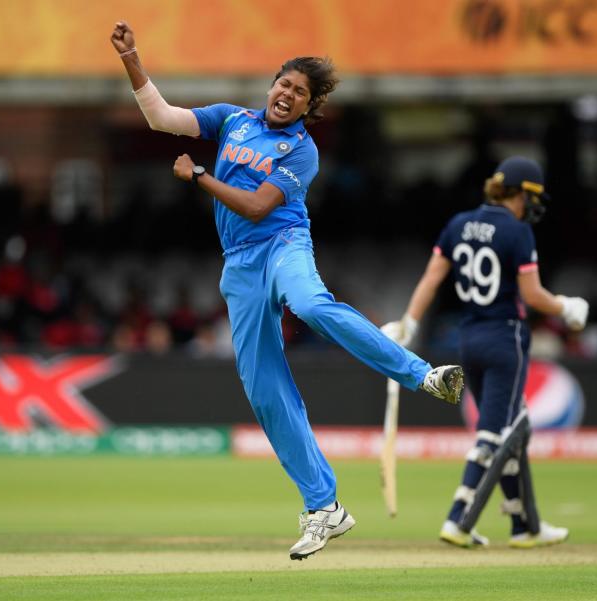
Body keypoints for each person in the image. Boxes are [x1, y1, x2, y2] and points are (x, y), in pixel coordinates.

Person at [110, 21, 465, 560]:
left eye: (300, 92)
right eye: (284, 84)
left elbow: (256, 208)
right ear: (272, 85)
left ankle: (425, 375)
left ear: (308, 107)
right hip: (240, 267)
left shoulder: (301, 151)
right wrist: (132, 59)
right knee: (265, 391)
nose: (287, 94)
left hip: (283, 244)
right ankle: (325, 507)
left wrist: (198, 177)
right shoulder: (232, 119)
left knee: (309, 304)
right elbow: (161, 117)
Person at [381, 156, 588, 548]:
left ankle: (524, 523)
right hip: (505, 338)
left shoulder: (459, 224)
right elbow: (531, 294)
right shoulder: (518, 231)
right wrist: (566, 307)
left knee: (513, 427)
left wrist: (409, 321)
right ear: (522, 193)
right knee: (496, 433)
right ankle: (459, 518)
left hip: (469, 338)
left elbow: (432, 276)